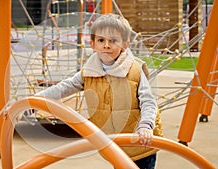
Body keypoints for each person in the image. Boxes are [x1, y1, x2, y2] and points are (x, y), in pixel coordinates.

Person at [32, 14, 163, 169]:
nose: (106, 45)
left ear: (125, 44)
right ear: (93, 44)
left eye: (113, 41)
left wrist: (146, 126)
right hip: (115, 145)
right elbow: (65, 87)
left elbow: (148, 101)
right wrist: (36, 99)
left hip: (141, 143)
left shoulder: (134, 71)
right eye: (101, 40)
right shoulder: (89, 71)